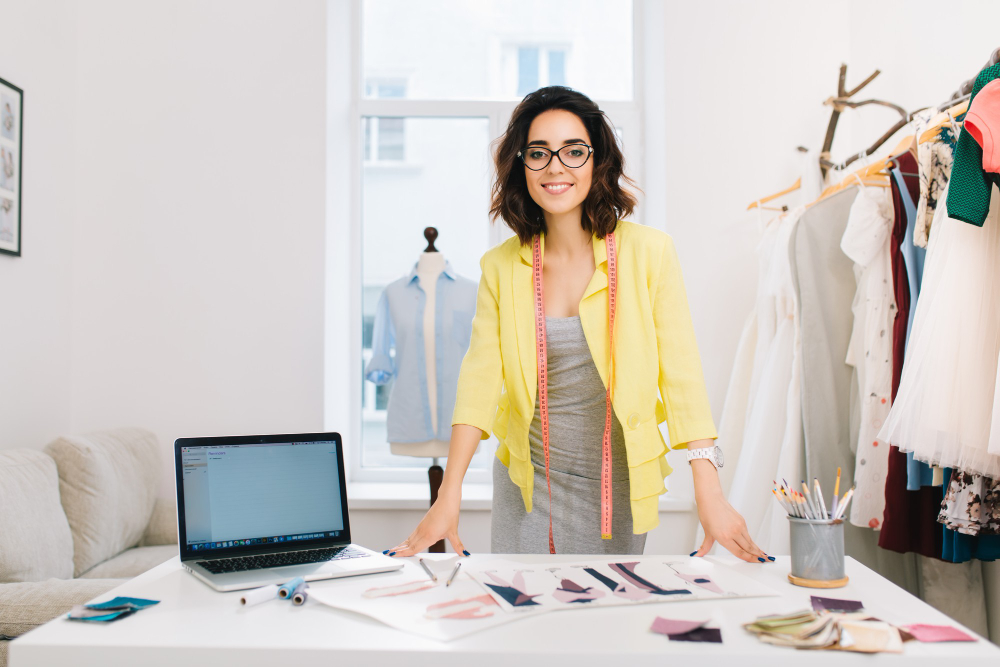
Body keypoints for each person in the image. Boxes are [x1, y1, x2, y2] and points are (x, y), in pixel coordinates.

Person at [385, 86, 769, 563]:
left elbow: (682, 376)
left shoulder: (648, 254)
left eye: (573, 151)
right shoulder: (501, 267)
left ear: (597, 160)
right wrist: (450, 495)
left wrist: (708, 492)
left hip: (616, 483)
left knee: (607, 625)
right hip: (528, 482)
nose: (555, 167)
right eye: (538, 153)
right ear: (520, 164)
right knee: (523, 624)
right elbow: (480, 380)